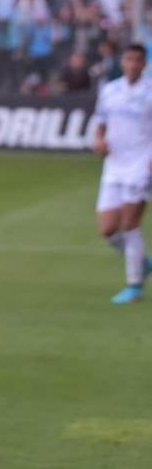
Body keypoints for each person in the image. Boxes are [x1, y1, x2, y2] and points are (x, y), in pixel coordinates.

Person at [93, 42, 152, 304]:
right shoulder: (110, 90)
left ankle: (134, 285)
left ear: (144, 64)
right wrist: (99, 141)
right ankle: (141, 261)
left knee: (130, 224)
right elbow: (101, 121)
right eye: (129, 59)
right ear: (122, 62)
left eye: (138, 60)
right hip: (114, 165)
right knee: (107, 230)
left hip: (141, 164)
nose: (133, 64)